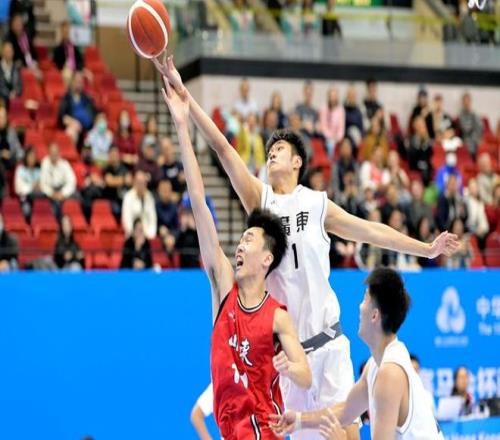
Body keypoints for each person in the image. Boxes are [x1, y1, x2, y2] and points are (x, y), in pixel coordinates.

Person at [154, 56, 458, 440]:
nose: (271, 153)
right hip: (289, 360)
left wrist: (425, 249)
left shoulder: (317, 204)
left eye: (279, 148)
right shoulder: (260, 200)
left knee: (348, 435)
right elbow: (223, 149)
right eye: (269, 150)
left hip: (329, 345)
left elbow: (370, 230)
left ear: (297, 161)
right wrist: (186, 99)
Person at [159, 76, 311, 439]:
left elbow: (305, 375)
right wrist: (182, 126)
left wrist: (289, 367)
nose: (239, 246)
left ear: (267, 259)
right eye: (241, 239)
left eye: (249, 240)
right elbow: (199, 203)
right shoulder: (223, 290)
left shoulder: (277, 316)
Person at [269, 268, 444, 440]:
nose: (360, 307)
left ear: (375, 316)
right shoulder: (375, 364)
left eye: (365, 299)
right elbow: (346, 411)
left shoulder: (390, 373)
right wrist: (300, 420)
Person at [39, 142, 77, 218]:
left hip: (62, 190)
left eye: (55, 152)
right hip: (50, 191)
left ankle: (70, 220)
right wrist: (51, 193)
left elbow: (72, 181)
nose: (54, 155)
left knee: (77, 197)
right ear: (48, 153)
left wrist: (63, 193)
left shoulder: (64, 164)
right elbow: (43, 183)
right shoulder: (45, 163)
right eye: (52, 152)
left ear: (59, 153)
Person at [58, 71, 96, 144]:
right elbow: (62, 117)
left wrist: (99, 119)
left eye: (81, 82)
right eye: (77, 81)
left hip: (89, 128)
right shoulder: (67, 98)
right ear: (72, 82)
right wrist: (73, 122)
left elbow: (95, 112)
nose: (79, 84)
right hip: (75, 126)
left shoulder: (86, 98)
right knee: (71, 132)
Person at [121, 170, 157, 240]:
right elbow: (126, 219)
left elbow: (153, 218)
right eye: (139, 183)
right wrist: (134, 235)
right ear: (134, 182)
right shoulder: (128, 197)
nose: (141, 185)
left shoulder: (149, 196)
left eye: (143, 183)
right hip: (132, 237)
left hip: (147, 236)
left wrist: (150, 235)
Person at [14, 146, 41, 220]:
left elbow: (43, 185)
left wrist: (40, 186)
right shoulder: (20, 170)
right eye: (30, 156)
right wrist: (32, 186)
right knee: (26, 210)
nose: (32, 158)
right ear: (26, 157)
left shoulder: (39, 170)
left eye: (34, 156)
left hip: (39, 198)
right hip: (25, 199)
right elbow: (18, 188)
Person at [0, 40, 22, 105]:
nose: (9, 53)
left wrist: (15, 92)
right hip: (2, 100)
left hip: (15, 100)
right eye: (7, 51)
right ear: (2, 52)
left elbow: (19, 85)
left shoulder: (16, 68)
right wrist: (8, 94)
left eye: (10, 51)